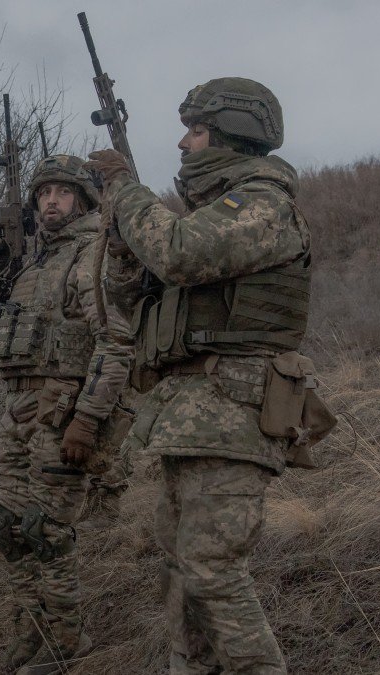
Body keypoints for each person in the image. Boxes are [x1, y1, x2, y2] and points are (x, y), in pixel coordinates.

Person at [85, 77, 315, 674]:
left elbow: (182, 254)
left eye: (196, 130)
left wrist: (124, 188)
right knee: (181, 573)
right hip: (186, 417)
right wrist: (120, 245)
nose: (183, 143)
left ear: (231, 135)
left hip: (233, 415)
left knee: (212, 567)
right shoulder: (206, 215)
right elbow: (130, 299)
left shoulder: (263, 203)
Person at [0, 154, 134, 673]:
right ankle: (32, 630)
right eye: (43, 192)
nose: (51, 200)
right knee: (7, 528)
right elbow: (3, 334)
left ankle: (67, 641)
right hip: (16, 412)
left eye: (62, 192)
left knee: (45, 530)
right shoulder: (32, 262)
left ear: (83, 200)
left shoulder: (91, 257)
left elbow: (114, 343)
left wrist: (87, 419)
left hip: (60, 412)